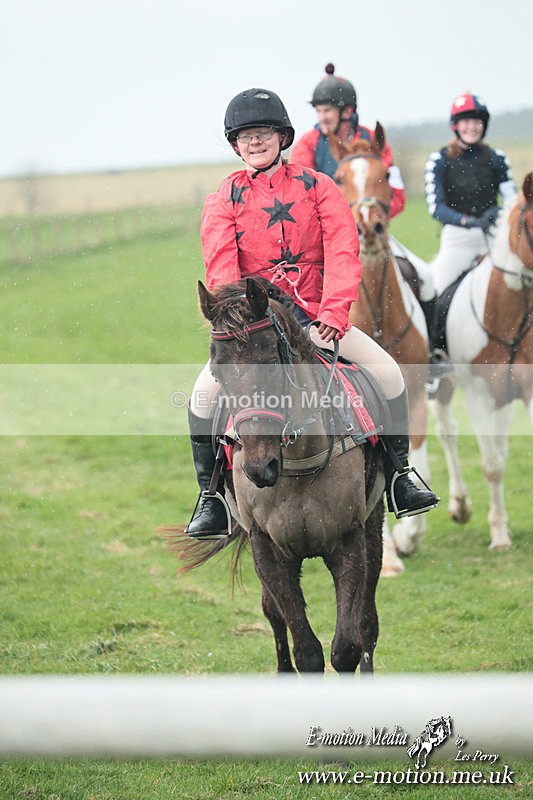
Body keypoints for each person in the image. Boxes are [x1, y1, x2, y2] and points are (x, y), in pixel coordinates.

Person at [186, 87, 438, 539]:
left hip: (318, 320)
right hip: (257, 329)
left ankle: (401, 477)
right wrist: (245, 325)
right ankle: (211, 500)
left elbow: (343, 253)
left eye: (263, 132)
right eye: (245, 135)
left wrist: (335, 314)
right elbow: (223, 272)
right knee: (202, 398)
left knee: (390, 374)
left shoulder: (318, 187)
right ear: (235, 143)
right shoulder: (224, 200)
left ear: (282, 137)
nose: (255, 141)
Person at [290, 63, 444, 373]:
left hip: (374, 234)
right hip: (326, 242)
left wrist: (373, 218)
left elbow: (396, 194)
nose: (322, 117)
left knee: (425, 276)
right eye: (319, 111)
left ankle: (436, 355)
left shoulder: (373, 141)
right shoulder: (308, 145)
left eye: (328, 110)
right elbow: (298, 199)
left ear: (347, 110)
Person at [424, 92, 516, 296]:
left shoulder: (497, 158)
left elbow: (512, 200)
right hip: (458, 240)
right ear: (455, 125)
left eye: (477, 121)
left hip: (494, 238)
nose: (472, 127)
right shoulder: (439, 160)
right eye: (466, 121)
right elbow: (436, 207)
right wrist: (468, 221)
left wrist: (497, 212)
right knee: (437, 294)